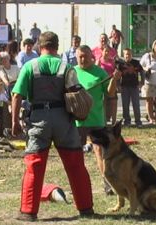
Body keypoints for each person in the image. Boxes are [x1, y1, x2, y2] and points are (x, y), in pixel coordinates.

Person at [11, 31, 93, 221]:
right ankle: (86, 208)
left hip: (39, 119)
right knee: (75, 164)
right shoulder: (67, 67)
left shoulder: (30, 66)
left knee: (34, 166)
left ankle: (28, 212)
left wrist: (15, 122)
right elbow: (76, 94)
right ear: (57, 46)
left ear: (40, 47)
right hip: (64, 119)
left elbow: (17, 95)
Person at [74, 45, 120, 195]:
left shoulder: (99, 72)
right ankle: (78, 184)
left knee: (100, 152)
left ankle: (108, 184)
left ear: (91, 56)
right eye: (80, 56)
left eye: (86, 56)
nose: (83, 59)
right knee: (75, 154)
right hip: (77, 121)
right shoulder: (72, 72)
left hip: (96, 120)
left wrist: (114, 79)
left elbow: (110, 92)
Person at [120, 48, 143, 127]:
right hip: (124, 86)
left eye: (129, 54)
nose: (127, 56)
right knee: (125, 105)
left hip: (134, 86)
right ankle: (127, 120)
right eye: (126, 54)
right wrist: (117, 85)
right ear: (124, 55)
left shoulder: (136, 63)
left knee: (136, 104)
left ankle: (138, 121)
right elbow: (118, 74)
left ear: (131, 55)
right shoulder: (121, 64)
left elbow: (142, 72)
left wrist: (142, 82)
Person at [95, 45, 117, 124]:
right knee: (103, 103)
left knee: (113, 103)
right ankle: (103, 121)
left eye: (108, 51)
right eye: (105, 51)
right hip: (102, 84)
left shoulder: (112, 61)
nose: (107, 52)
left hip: (111, 83)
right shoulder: (99, 61)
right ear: (102, 52)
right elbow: (96, 73)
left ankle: (114, 122)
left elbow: (115, 72)